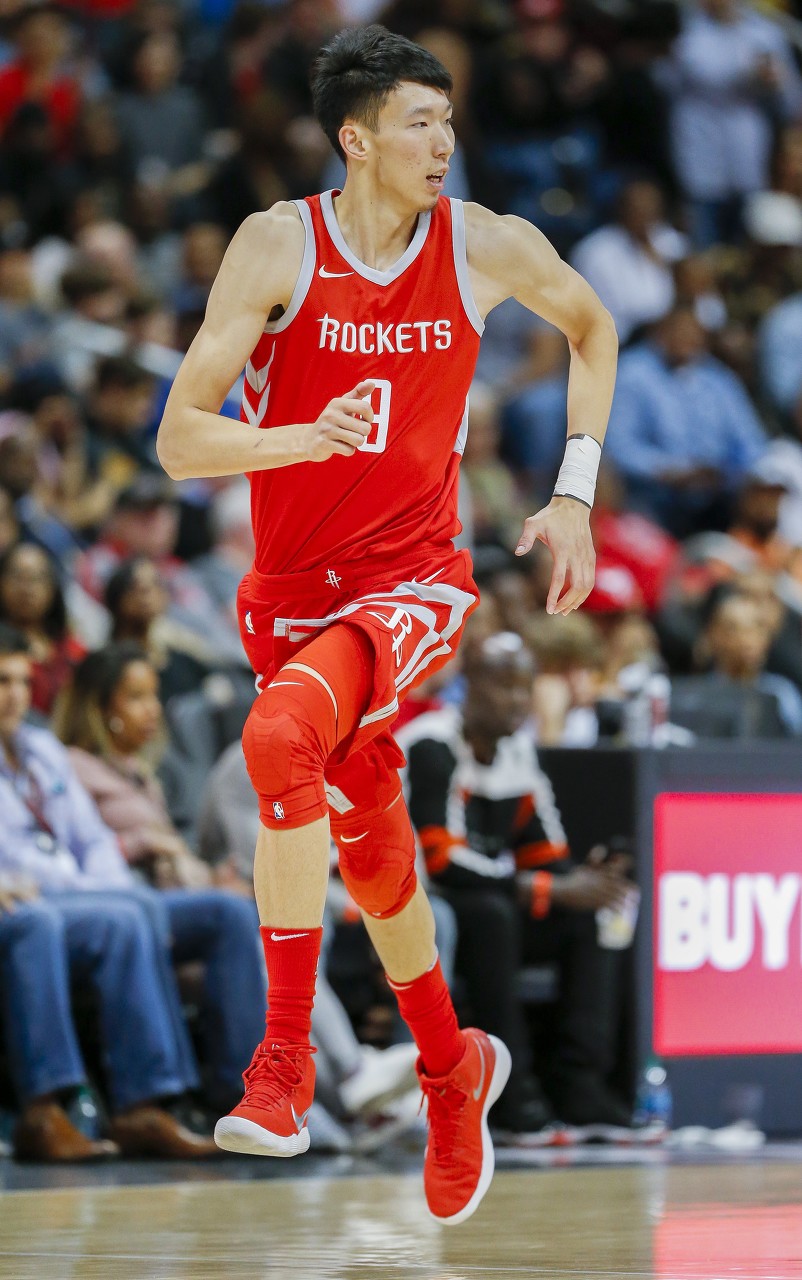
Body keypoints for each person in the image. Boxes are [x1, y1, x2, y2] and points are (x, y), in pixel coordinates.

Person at [156, 24, 617, 1225]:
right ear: (355, 139)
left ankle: (282, 1066)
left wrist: (573, 494)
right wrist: (299, 438)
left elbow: (591, 327)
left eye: (448, 121)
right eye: (419, 122)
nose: (442, 142)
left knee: (276, 742)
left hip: (412, 584)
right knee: (370, 843)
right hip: (289, 596)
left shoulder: (479, 242)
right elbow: (181, 440)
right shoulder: (276, 244)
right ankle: (451, 1067)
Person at [398, 631, 633, 1135]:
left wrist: (586, 880)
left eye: (525, 688)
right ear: (469, 684)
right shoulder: (432, 745)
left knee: (595, 914)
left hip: (490, 896)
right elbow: (441, 861)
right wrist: (542, 889)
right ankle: (509, 1092)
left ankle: (580, 1084)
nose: (518, 701)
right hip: (425, 904)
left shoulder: (519, 752)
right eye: (504, 686)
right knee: (492, 916)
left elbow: (545, 853)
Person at [0, 624, 220, 1160]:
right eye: (2, 682)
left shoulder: (40, 748)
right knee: (68, 920)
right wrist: (93, 891)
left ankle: (182, 1098)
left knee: (143, 908)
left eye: (23, 682)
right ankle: (50, 1109)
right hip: (25, 897)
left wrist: (103, 887)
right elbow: (18, 862)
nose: (16, 696)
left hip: (68, 891)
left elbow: (93, 838)